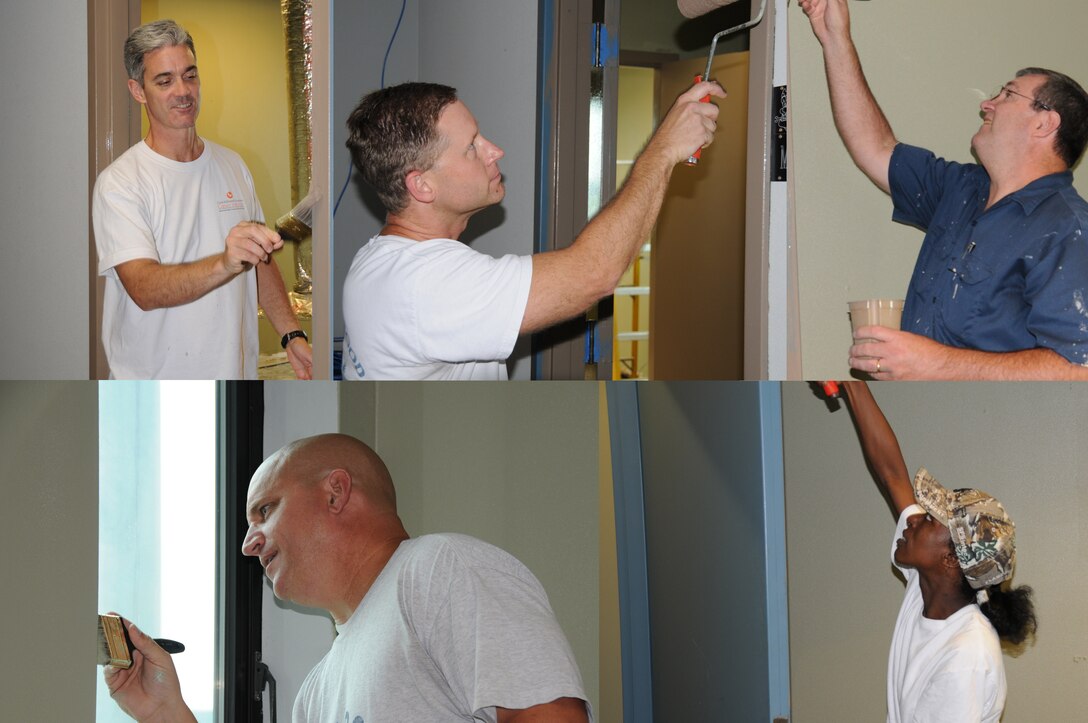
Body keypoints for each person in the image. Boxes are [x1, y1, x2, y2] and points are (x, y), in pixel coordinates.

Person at [104, 434, 591, 723]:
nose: (249, 544)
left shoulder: (442, 569)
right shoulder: (315, 693)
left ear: (336, 493)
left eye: (265, 511)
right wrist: (167, 714)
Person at [340, 79, 725, 380]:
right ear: (421, 184)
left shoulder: (377, 259)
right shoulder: (427, 286)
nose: (495, 151)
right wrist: (664, 151)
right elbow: (594, 274)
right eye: (472, 146)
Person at [800, 0, 1088, 380]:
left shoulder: (1069, 229)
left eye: (1007, 94)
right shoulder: (960, 189)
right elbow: (876, 148)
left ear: (1044, 123)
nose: (987, 103)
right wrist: (834, 36)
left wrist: (935, 364)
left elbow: (1078, 368)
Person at [93, 19, 312, 380]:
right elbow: (144, 288)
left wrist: (291, 334)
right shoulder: (121, 183)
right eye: (164, 80)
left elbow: (260, 262)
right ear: (138, 90)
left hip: (233, 375)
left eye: (190, 75)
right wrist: (225, 263)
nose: (183, 90)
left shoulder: (232, 165)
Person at [836, 381, 1037, 722]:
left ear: (950, 559)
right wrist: (850, 385)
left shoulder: (965, 656)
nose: (913, 520)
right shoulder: (927, 587)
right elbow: (891, 473)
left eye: (928, 520)